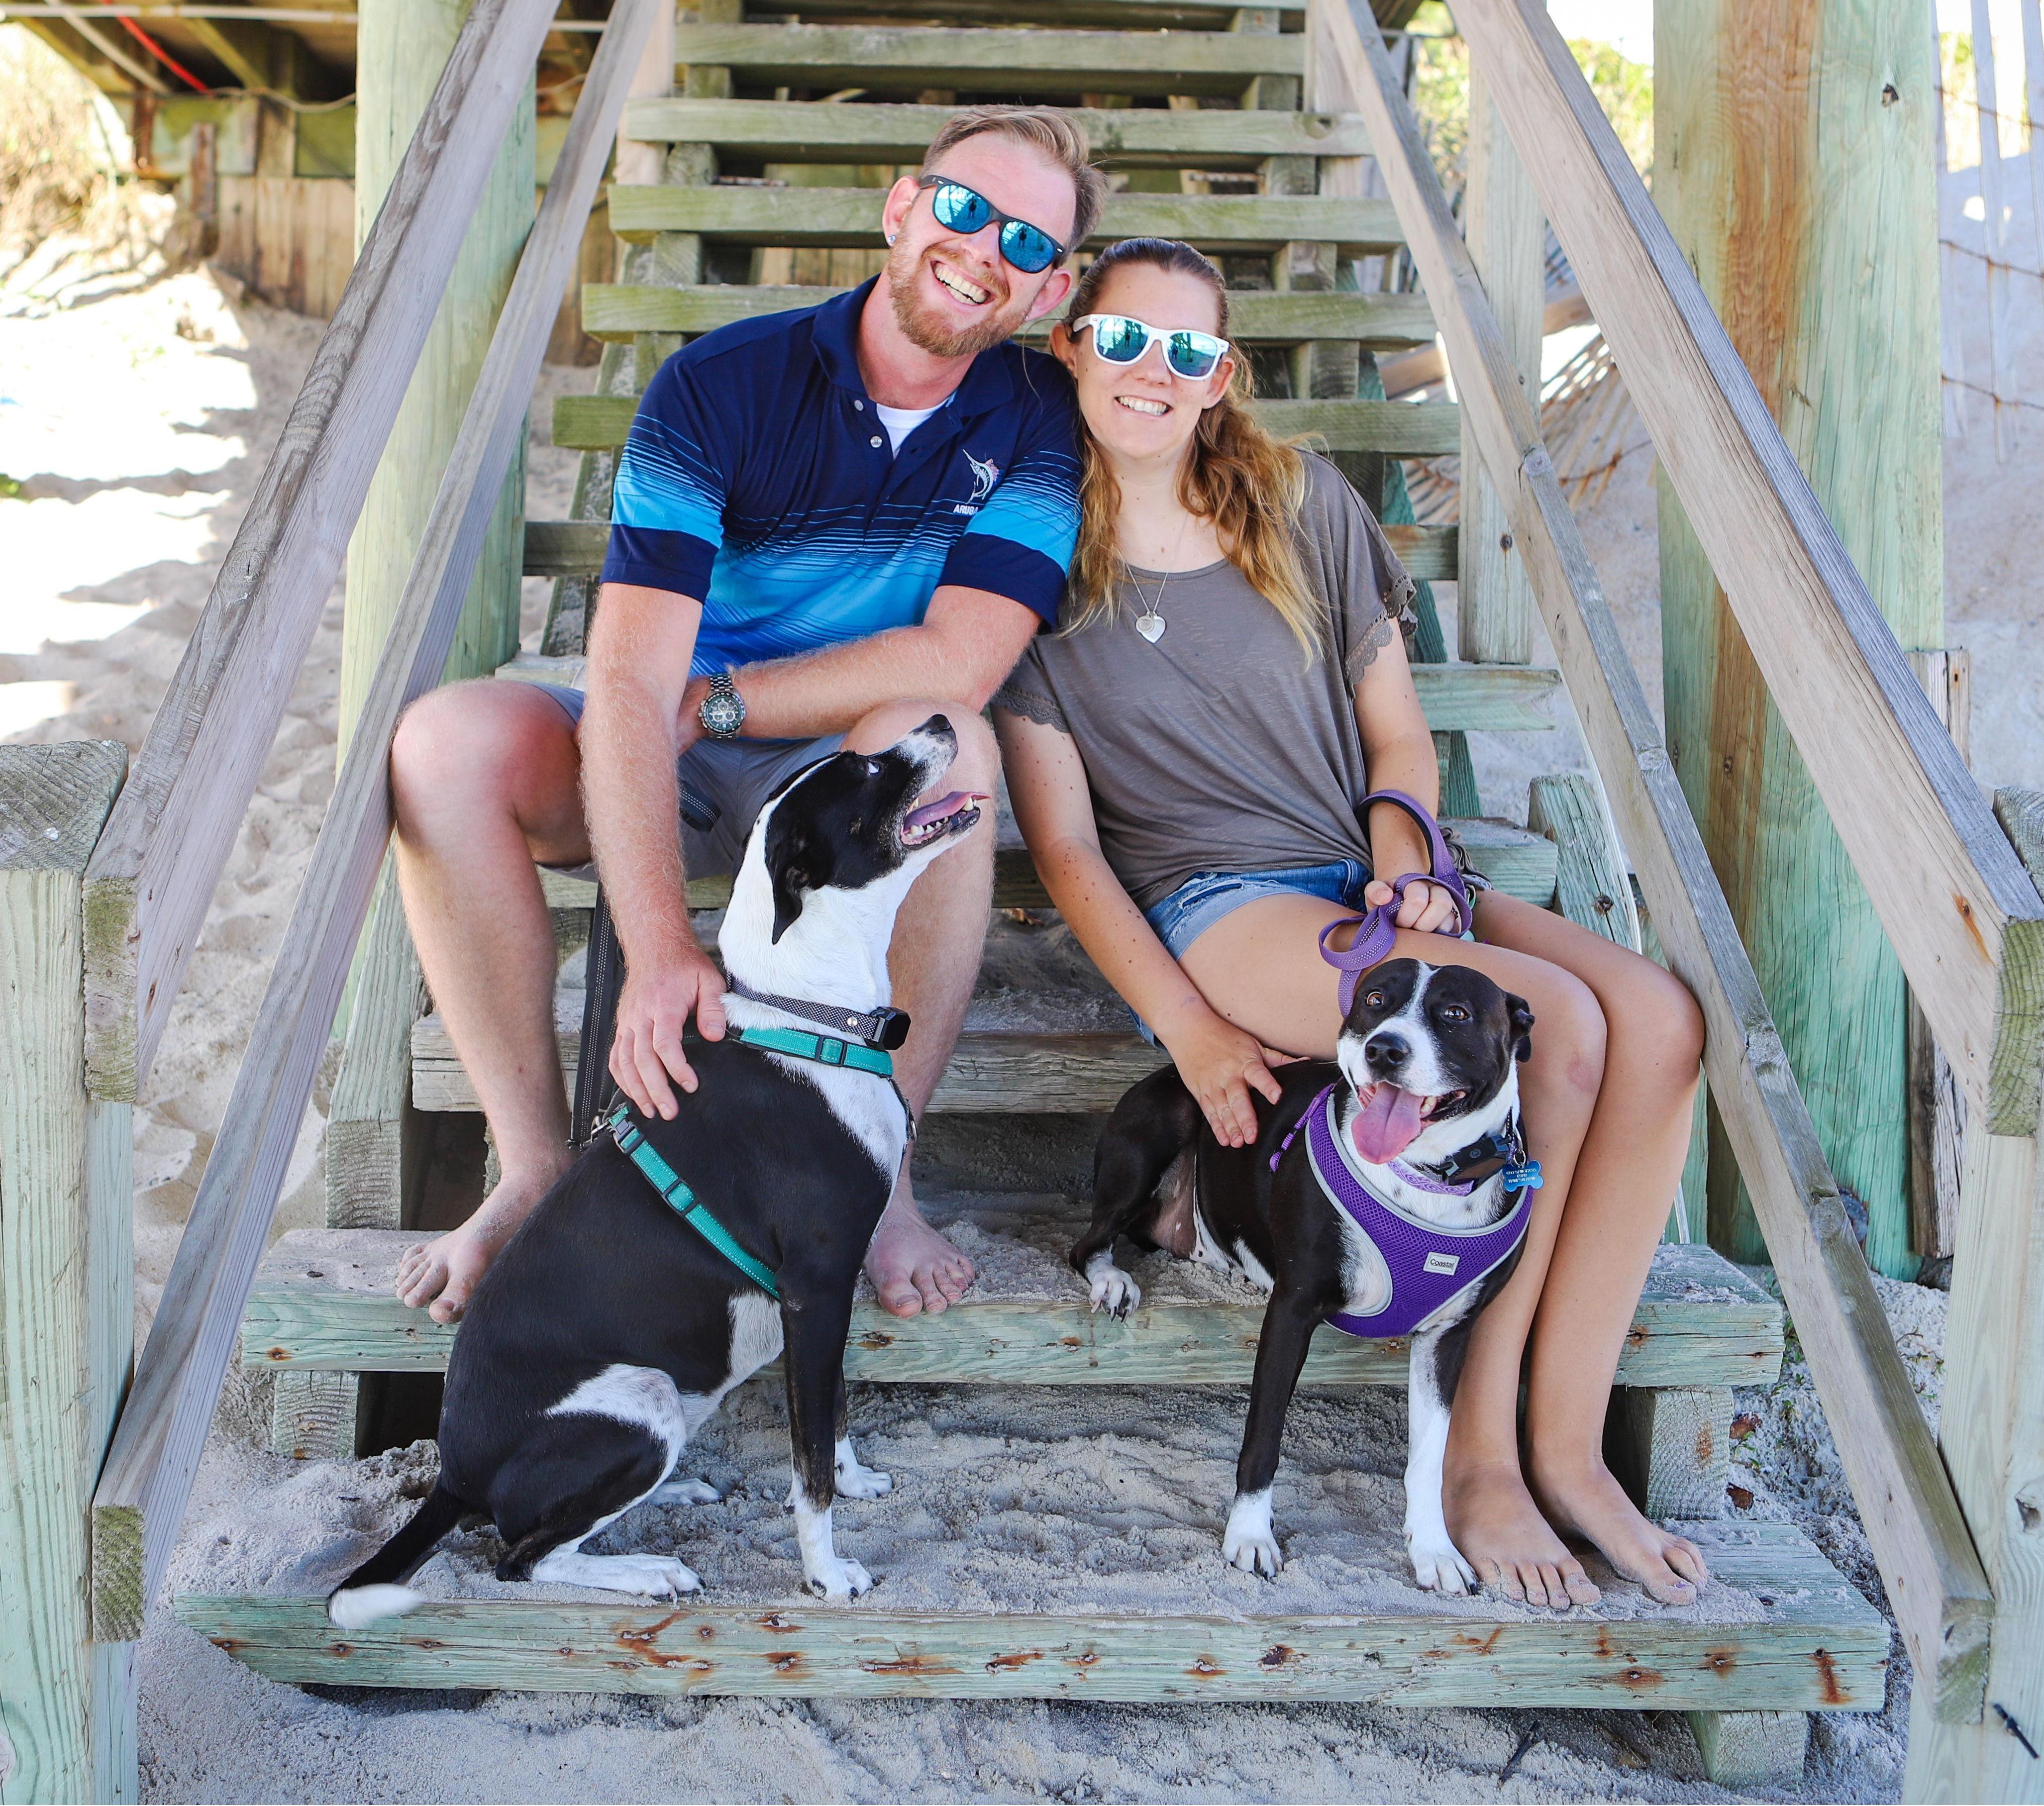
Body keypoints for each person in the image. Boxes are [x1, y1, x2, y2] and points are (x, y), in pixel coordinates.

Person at [995, 237, 1710, 1609]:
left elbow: (1396, 734)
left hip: (1362, 870)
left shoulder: (1298, 499)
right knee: (1561, 1027)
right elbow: (1072, 855)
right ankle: (1485, 1460)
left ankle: (1569, 1444)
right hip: (1222, 905)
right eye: (1125, 338)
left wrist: (1406, 862)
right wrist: (1186, 1025)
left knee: (1663, 1023)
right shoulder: (1029, 571)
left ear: (1224, 375)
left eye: (1189, 350)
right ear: (1072, 345)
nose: (1154, 370)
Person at [388, 106, 1105, 1325]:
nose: (986, 250)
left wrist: (719, 702)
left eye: (1027, 243)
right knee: (443, 745)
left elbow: (958, 662)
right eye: (964, 208)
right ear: (901, 209)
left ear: (1051, 289)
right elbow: (628, 683)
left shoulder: (1037, 418)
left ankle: (880, 1177)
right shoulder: (720, 384)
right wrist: (663, 949)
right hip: (664, 749)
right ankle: (533, 1167)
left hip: (833, 765)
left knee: (951, 751)